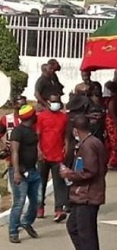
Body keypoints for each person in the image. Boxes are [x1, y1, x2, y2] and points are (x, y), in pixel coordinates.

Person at [59, 115, 107, 250]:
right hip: (82, 194)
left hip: (87, 195)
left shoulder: (88, 145)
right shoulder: (89, 143)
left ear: (75, 130)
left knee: (87, 234)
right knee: (73, 227)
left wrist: (69, 174)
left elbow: (90, 171)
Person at [7, 105, 41, 244]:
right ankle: (13, 231)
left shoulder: (32, 131)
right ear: (31, 116)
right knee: (19, 202)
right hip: (20, 172)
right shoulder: (17, 132)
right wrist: (16, 172)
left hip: (33, 170)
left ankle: (26, 221)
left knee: (37, 200)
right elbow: (14, 152)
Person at [36, 94, 69, 222]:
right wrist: (39, 151)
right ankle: (39, 207)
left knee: (59, 183)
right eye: (53, 101)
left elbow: (66, 134)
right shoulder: (42, 117)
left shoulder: (64, 117)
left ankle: (59, 209)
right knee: (41, 183)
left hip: (58, 155)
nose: (56, 103)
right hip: (43, 155)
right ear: (48, 102)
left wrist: (66, 146)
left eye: (57, 101)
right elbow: (38, 136)